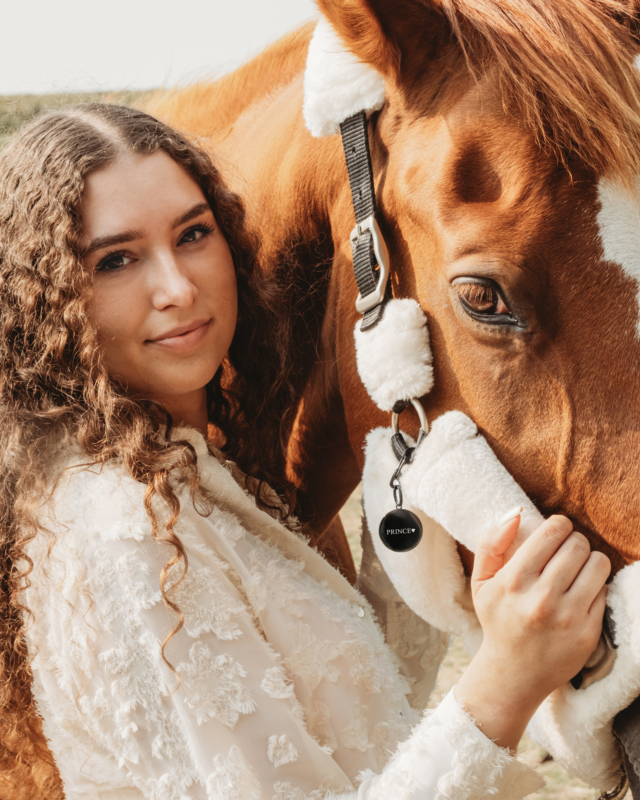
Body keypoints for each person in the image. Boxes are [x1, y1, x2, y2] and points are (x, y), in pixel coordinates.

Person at [0, 104, 611, 800]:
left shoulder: (188, 468)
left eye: (193, 234)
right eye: (117, 259)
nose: (177, 287)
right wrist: (508, 679)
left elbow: (358, 728)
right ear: (48, 302)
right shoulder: (128, 527)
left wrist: (409, 502)